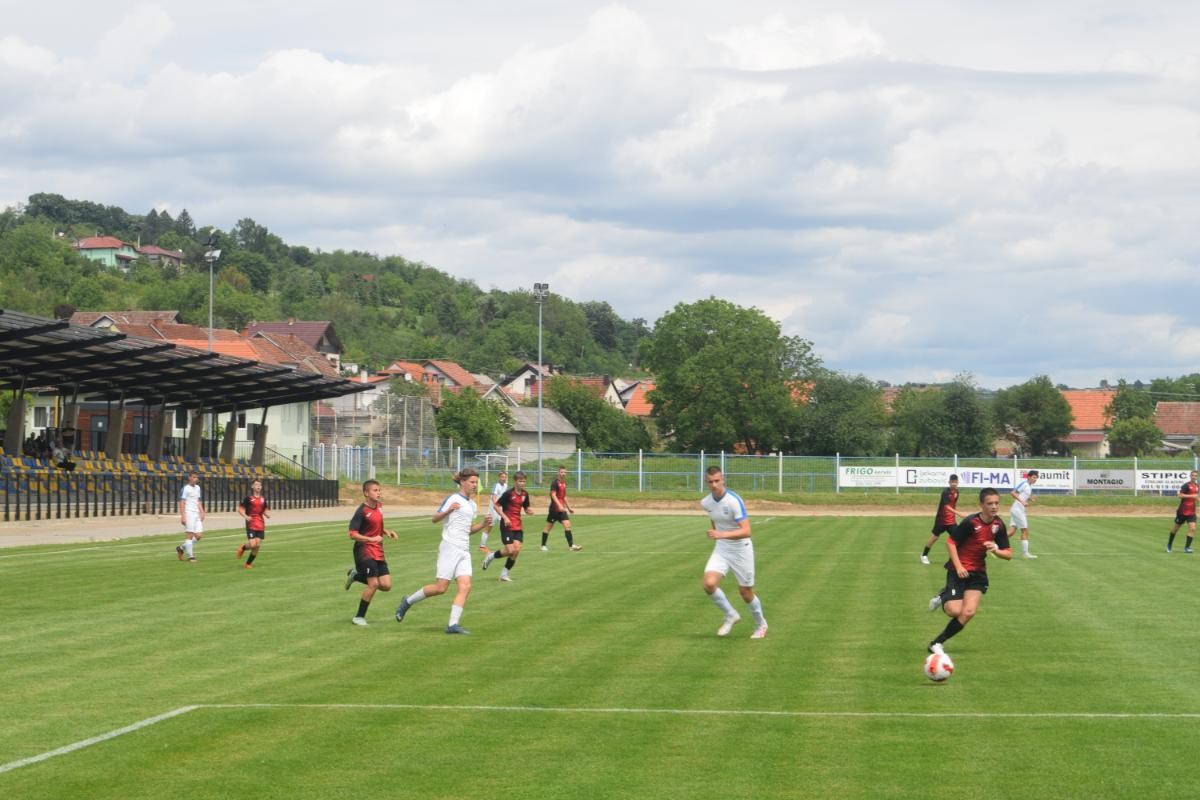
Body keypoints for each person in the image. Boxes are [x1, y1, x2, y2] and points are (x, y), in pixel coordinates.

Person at [394, 468, 493, 634]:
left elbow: (468, 530)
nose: (475, 485)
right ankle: (408, 601)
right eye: (472, 482)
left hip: (464, 549)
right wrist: (448, 510)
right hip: (450, 547)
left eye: (476, 482)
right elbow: (434, 519)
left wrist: (483, 524)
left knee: (465, 586)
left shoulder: (472, 505)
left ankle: (453, 625)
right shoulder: (453, 498)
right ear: (462, 482)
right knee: (441, 588)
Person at [926, 487, 1012, 655]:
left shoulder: (999, 525)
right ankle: (943, 595)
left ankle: (936, 643)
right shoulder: (971, 522)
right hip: (958, 570)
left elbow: (1008, 554)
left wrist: (996, 550)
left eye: (996, 503)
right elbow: (950, 543)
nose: (994, 506)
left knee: (968, 612)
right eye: (990, 503)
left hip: (978, 573)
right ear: (981, 505)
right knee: (954, 611)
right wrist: (959, 567)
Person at [700, 466, 768, 639]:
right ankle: (731, 615)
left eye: (717, 481)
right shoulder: (706, 502)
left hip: (741, 550)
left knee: (745, 593)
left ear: (723, 480)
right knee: (709, 584)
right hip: (722, 548)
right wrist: (717, 534)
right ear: (706, 482)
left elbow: (746, 531)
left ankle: (761, 624)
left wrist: (721, 534)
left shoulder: (733, 501)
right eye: (710, 482)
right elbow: (715, 521)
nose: (714, 485)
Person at [343, 479, 398, 625]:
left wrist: (387, 532)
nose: (378, 493)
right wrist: (371, 539)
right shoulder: (361, 511)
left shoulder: (379, 506)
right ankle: (359, 617)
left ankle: (356, 575)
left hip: (378, 550)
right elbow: (352, 534)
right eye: (375, 490)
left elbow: (376, 525)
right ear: (366, 493)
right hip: (364, 551)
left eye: (379, 490)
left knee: (386, 585)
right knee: (373, 584)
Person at [483, 470, 532, 582]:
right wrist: (505, 518)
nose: (522, 483)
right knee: (510, 550)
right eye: (520, 481)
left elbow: (526, 507)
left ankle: (504, 574)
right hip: (507, 525)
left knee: (517, 550)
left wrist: (529, 511)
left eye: (524, 481)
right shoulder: (508, 494)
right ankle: (491, 556)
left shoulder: (525, 494)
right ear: (515, 481)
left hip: (518, 526)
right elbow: (496, 506)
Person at [921, 474, 966, 564]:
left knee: (958, 538)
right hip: (941, 519)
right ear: (949, 482)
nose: (954, 484)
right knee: (935, 537)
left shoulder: (957, 492)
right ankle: (924, 555)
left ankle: (957, 558)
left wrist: (954, 515)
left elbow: (953, 505)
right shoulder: (945, 492)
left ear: (958, 482)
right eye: (952, 482)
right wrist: (959, 513)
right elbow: (947, 507)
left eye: (955, 482)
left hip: (951, 521)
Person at [540, 466, 581, 551]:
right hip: (554, 510)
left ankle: (571, 546)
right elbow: (553, 495)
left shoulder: (564, 483)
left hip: (562, 510)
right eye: (562, 472)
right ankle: (543, 545)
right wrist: (559, 505)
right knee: (548, 528)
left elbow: (564, 496)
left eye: (565, 472)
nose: (563, 474)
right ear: (558, 473)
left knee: (567, 525)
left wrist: (569, 508)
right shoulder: (554, 483)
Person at [236, 479, 271, 569]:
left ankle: (248, 564)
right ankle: (243, 547)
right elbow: (240, 509)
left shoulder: (263, 499)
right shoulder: (248, 498)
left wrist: (267, 514)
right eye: (256, 484)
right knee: (252, 544)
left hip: (260, 523)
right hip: (251, 523)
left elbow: (264, 509)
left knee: (257, 545)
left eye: (259, 485)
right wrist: (246, 516)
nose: (258, 486)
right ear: (252, 486)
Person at [1167, 470, 1199, 553]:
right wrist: (1192, 496)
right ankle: (1169, 544)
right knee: (1176, 529)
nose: (1194, 477)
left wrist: (1197, 498)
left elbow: (1196, 498)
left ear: (1197, 477)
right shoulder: (1186, 485)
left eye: (1195, 476)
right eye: (1192, 475)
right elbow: (1180, 495)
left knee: (1193, 528)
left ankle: (1187, 548)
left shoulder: (1197, 486)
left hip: (1192, 512)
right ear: (1190, 476)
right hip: (1182, 511)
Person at [175, 473, 205, 562]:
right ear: (189, 478)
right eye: (194, 477)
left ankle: (181, 548)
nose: (196, 479)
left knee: (199, 536)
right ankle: (191, 556)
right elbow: (182, 502)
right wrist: (183, 515)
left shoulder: (198, 488)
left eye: (197, 477)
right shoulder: (185, 488)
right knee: (190, 535)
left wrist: (202, 511)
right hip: (189, 513)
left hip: (196, 513)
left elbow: (198, 501)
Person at [1009, 469, 1039, 559]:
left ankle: (994, 545)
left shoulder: (1029, 486)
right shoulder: (1024, 484)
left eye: (1036, 478)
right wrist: (1022, 502)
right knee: (1025, 530)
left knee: (1011, 532)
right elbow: (1013, 493)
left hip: (1017, 510)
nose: (1035, 479)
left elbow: (1023, 496)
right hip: (1017, 510)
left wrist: (1030, 499)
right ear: (1028, 477)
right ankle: (1025, 554)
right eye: (1034, 477)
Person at [481, 470, 508, 552]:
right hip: (493, 510)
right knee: (489, 527)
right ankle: (482, 546)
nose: (504, 478)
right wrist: (497, 506)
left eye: (505, 477)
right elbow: (494, 497)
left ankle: (508, 543)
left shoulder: (506, 486)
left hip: (500, 510)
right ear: (499, 477)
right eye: (502, 477)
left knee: (505, 526)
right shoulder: (496, 486)